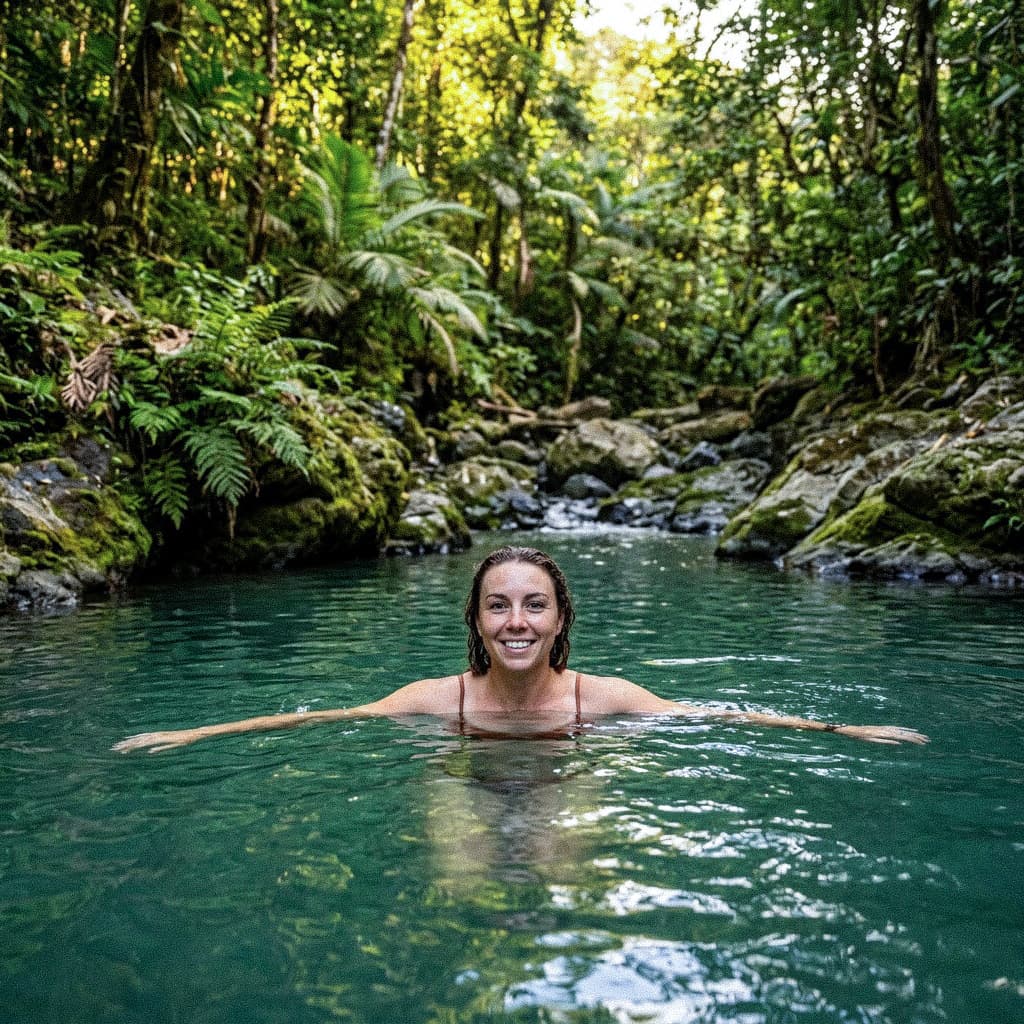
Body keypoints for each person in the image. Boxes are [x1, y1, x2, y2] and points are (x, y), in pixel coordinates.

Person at [113, 545, 929, 753]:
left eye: (534, 606)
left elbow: (717, 716)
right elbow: (320, 719)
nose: (515, 622)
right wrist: (192, 736)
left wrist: (844, 734)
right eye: (497, 606)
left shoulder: (603, 698)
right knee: (464, 880)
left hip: (568, 762)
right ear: (474, 621)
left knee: (564, 873)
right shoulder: (436, 699)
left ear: (560, 619)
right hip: (463, 764)